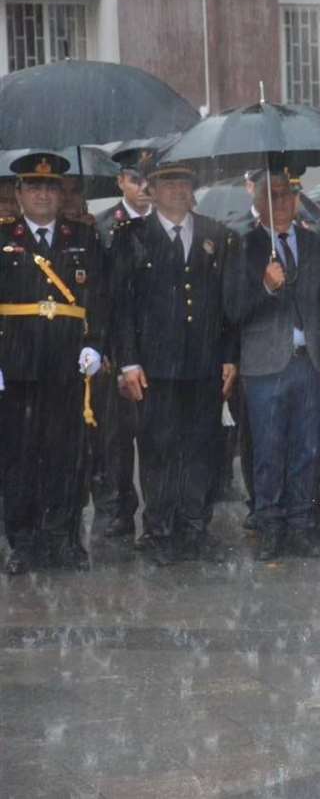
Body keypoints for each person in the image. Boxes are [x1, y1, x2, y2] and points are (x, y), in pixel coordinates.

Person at [110, 160, 239, 564]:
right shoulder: (133, 237)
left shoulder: (216, 234)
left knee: (200, 447)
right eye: (168, 184)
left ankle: (194, 525)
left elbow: (227, 302)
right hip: (155, 365)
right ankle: (160, 528)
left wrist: (229, 356)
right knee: (158, 447)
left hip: (203, 362)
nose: (177, 191)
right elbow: (122, 307)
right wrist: (128, 361)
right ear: (152, 188)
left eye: (184, 183)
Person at [0, 153, 106, 574]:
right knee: (20, 456)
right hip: (18, 364)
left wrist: (97, 344)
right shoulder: (4, 237)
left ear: (61, 195)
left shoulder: (83, 238)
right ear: (20, 193)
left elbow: (101, 296)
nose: (42, 194)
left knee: (68, 456)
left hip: (68, 364)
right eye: (34, 187)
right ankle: (23, 543)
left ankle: (63, 539)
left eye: (50, 187)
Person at [225, 164, 320, 561]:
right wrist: (265, 287)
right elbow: (232, 308)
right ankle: (269, 523)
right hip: (265, 363)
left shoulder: (315, 242)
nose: (282, 202)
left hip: (310, 362)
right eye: (272, 195)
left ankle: (302, 522)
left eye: (288, 193)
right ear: (255, 201)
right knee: (268, 449)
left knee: (308, 448)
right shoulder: (242, 244)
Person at [87, 153, 154, 539]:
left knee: (156, 435)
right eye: (135, 179)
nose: (143, 187)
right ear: (121, 182)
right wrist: (102, 347)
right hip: (115, 347)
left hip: (155, 346)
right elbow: (99, 293)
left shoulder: (163, 224)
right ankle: (118, 510)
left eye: (148, 180)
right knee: (115, 437)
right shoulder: (103, 228)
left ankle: (156, 514)